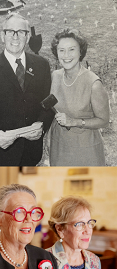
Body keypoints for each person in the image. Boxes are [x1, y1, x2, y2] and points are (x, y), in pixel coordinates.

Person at [0, 13, 53, 166]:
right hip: (2, 154)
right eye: (10, 31)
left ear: (28, 36)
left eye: (21, 32)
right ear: (2, 36)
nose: (15, 37)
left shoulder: (42, 65)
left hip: (32, 153)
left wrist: (42, 124)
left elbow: (48, 103)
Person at [47, 29, 110, 166]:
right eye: (61, 50)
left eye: (71, 49)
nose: (66, 55)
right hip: (59, 147)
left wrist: (75, 122)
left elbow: (104, 120)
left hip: (85, 150)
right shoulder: (55, 76)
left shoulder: (93, 83)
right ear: (56, 53)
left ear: (80, 52)